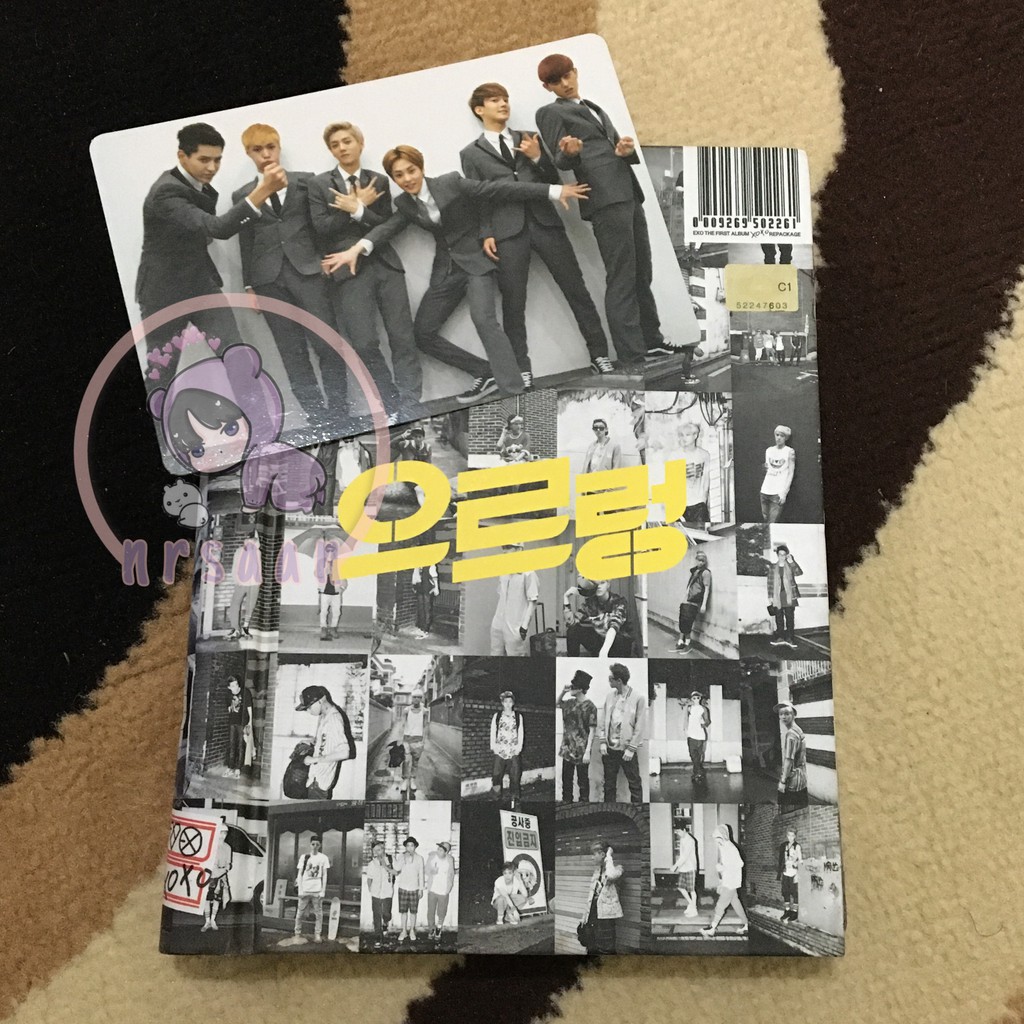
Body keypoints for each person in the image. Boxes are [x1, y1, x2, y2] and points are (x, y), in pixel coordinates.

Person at [323, 145, 590, 403]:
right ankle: (484, 372)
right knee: (422, 333)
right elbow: (387, 229)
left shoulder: (449, 182)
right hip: (447, 271)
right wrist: (355, 250)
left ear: (421, 168)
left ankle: (514, 391)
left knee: (484, 320)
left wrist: (553, 190)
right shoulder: (404, 203)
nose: (407, 179)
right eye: (399, 175)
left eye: (411, 171)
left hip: (477, 263)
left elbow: (497, 189)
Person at [535, 55, 681, 376]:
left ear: (576, 71)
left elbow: (614, 148)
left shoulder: (593, 107)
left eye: (568, 75)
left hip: (628, 193)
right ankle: (631, 355)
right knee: (622, 275)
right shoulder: (550, 112)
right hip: (603, 198)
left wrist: (627, 152)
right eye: (557, 81)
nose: (566, 83)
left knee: (642, 271)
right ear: (548, 87)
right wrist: (569, 153)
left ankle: (651, 340)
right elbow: (561, 158)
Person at [461, 82, 612, 382]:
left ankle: (599, 355)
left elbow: (554, 177)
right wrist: (486, 232)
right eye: (495, 100)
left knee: (577, 290)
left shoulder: (529, 137)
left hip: (546, 224)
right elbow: (480, 197)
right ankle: (522, 369)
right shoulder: (471, 153)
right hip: (507, 232)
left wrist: (537, 158)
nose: (503, 104)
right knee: (513, 304)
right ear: (479, 109)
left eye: (505, 98)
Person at [135, 123, 285, 375]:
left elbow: (203, 231)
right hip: (163, 294)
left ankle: (252, 403)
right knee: (161, 373)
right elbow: (217, 228)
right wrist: (264, 190)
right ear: (182, 156)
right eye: (204, 160)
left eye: (217, 160)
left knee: (237, 356)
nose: (212, 168)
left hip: (202, 285)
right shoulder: (166, 191)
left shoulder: (199, 186)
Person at [308, 121, 421, 426]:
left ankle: (410, 405)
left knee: (402, 338)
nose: (342, 148)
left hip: (385, 264)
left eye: (347, 141)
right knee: (364, 343)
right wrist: (355, 207)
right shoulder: (318, 184)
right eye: (335, 144)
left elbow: (386, 225)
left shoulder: (379, 180)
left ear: (360, 143)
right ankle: (391, 403)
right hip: (347, 271)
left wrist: (357, 209)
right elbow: (321, 228)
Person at [233, 123, 345, 423]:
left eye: (270, 147)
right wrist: (248, 286)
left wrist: (324, 259)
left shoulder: (306, 182)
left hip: (309, 273)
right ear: (248, 154)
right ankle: (317, 419)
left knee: (328, 344)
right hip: (268, 281)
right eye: (257, 150)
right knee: (292, 354)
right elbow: (246, 241)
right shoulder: (243, 195)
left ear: (279, 148)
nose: (266, 154)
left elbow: (320, 224)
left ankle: (339, 414)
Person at [294, 685, 356, 799]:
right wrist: (312, 742)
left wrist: (313, 760)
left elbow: (345, 753)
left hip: (321, 783)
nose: (308, 711)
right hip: (315, 779)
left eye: (309, 707)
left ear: (321, 701)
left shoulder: (334, 719)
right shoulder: (324, 716)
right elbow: (327, 742)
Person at [599, 663, 646, 804]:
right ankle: (608, 813)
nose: (608, 681)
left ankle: (638, 811)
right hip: (609, 749)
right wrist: (602, 741)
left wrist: (631, 748)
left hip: (627, 749)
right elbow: (603, 720)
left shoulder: (638, 698)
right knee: (609, 785)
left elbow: (640, 725)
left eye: (610, 678)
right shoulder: (609, 696)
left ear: (619, 681)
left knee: (635, 784)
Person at [564, 576, 635, 657]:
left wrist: (604, 651)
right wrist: (566, 597)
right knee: (573, 630)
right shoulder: (590, 603)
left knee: (619, 638)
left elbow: (614, 627)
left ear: (608, 584)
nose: (599, 586)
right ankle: (572, 660)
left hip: (619, 646)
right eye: (595, 583)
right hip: (601, 640)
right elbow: (571, 624)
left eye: (602, 583)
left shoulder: (619, 601)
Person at [491, 542, 539, 655]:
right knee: (495, 656)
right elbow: (502, 595)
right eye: (503, 547)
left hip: (515, 626)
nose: (504, 551)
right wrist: (496, 623)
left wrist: (524, 627)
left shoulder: (528, 573)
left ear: (519, 549)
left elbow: (533, 602)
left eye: (508, 547)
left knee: (516, 660)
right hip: (498, 623)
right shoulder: (503, 571)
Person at [700, 825, 749, 937]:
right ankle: (746, 924)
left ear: (722, 836)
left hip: (731, 881)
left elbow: (740, 863)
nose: (716, 842)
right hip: (729, 880)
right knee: (735, 902)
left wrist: (724, 868)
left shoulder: (730, 847)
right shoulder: (723, 847)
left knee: (720, 905)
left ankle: (712, 928)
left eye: (717, 839)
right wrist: (721, 877)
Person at [558, 669, 597, 801]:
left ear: (580, 689)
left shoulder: (590, 707)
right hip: (567, 748)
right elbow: (557, 704)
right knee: (566, 781)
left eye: (573, 686)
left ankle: (583, 805)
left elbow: (592, 730)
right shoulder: (569, 703)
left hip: (581, 749)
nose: (571, 688)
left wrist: (588, 752)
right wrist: (563, 692)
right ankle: (566, 804)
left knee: (583, 781)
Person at [580, 841, 624, 953]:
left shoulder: (617, 869)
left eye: (594, 854)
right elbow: (591, 896)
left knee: (606, 950)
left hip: (605, 919)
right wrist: (584, 917)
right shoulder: (597, 872)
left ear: (602, 854)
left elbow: (610, 876)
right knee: (591, 947)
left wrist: (609, 856)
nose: (592, 857)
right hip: (593, 916)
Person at [760, 543, 803, 649]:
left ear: (786, 555)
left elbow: (799, 573)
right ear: (777, 555)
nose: (782, 556)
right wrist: (770, 596)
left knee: (789, 618)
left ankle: (790, 639)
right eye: (780, 554)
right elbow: (770, 582)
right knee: (778, 618)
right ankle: (780, 638)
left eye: (784, 554)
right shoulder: (773, 567)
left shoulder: (790, 566)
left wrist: (792, 562)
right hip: (777, 597)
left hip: (789, 597)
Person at [490, 689, 525, 807]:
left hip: (513, 751)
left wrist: (518, 749)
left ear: (513, 703)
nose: (508, 704)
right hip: (500, 751)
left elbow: (521, 733)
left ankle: (514, 800)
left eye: (510, 701)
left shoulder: (518, 716)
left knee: (515, 777)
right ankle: (496, 798)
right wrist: (494, 747)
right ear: (502, 703)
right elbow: (493, 732)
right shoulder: (497, 716)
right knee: (496, 776)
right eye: (505, 702)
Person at [294, 834, 330, 943]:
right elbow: (300, 874)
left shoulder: (323, 858)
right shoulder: (304, 857)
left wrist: (323, 891)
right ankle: (297, 933)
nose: (315, 846)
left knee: (318, 914)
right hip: (305, 889)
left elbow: (325, 875)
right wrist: (300, 890)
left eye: (317, 844)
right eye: (313, 844)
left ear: (320, 845)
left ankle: (317, 934)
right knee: (299, 914)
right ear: (310, 844)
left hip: (317, 890)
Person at [226, 531, 261, 640]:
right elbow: (235, 567)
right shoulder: (239, 551)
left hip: (254, 583)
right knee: (235, 604)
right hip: (241, 582)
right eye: (248, 540)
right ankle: (235, 629)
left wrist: (259, 580)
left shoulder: (257, 552)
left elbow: (259, 567)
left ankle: (245, 627)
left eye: (253, 540)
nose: (250, 542)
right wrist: (236, 579)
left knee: (251, 605)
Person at [675, 422, 711, 524]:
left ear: (695, 435)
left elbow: (706, 479)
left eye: (687, 435)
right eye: (682, 435)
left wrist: (703, 499)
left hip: (698, 504)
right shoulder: (675, 455)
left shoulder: (704, 455)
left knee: (700, 529)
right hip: (679, 504)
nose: (684, 438)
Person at [775, 701, 809, 810]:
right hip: (802, 779)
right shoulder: (798, 729)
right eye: (781, 714)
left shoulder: (791, 734)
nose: (783, 717)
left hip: (793, 781)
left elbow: (789, 760)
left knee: (786, 805)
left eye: (787, 713)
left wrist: (783, 781)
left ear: (793, 714)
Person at [677, 551, 712, 654]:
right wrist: (683, 598)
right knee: (682, 621)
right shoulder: (694, 571)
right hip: (686, 600)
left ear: (705, 562)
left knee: (687, 622)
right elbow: (689, 587)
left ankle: (688, 644)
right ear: (696, 560)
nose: (700, 562)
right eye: (699, 560)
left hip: (694, 601)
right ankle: (681, 643)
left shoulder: (706, 573)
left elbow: (707, 589)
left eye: (703, 561)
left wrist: (704, 604)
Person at [760, 425, 796, 524]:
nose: (779, 438)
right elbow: (767, 469)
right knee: (765, 522)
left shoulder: (789, 451)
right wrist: (764, 468)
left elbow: (791, 473)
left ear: (786, 438)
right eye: (777, 435)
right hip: (764, 491)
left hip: (777, 493)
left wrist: (784, 493)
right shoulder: (769, 450)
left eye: (782, 436)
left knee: (772, 523)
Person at [201, 820, 233, 932]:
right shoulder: (211, 845)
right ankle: (207, 921)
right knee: (207, 899)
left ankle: (213, 920)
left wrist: (224, 870)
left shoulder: (228, 847)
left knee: (217, 899)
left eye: (225, 833)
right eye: (221, 833)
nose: (223, 835)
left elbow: (229, 864)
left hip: (221, 876)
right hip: (210, 875)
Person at [364, 840, 395, 948]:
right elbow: (369, 878)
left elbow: (396, 872)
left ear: (383, 849)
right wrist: (371, 889)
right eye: (375, 851)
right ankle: (378, 936)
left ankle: (385, 923)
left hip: (387, 892)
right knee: (376, 915)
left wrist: (385, 866)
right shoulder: (372, 864)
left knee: (386, 913)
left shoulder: (391, 860)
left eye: (379, 850)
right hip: (376, 893)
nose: (377, 853)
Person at [399, 690, 428, 798]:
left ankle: (412, 780)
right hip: (407, 739)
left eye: (419, 697)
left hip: (418, 740)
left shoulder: (425, 711)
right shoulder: (406, 710)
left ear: (421, 698)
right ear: (412, 698)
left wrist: (424, 741)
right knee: (406, 761)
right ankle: (405, 780)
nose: (416, 699)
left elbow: (425, 726)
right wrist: (400, 740)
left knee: (415, 762)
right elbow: (402, 724)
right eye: (414, 697)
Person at [425, 840, 456, 940]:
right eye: (438, 849)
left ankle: (439, 928)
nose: (438, 851)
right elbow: (426, 870)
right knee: (430, 911)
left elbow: (451, 874)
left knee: (441, 912)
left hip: (443, 890)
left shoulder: (449, 860)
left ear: (446, 852)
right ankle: (431, 929)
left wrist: (448, 888)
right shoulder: (432, 857)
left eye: (441, 850)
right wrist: (431, 872)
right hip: (432, 889)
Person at [395, 836, 424, 942]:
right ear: (405, 847)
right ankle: (403, 931)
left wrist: (421, 889)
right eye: (408, 846)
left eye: (412, 846)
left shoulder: (419, 858)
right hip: (403, 888)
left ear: (415, 847)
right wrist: (403, 858)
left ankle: (412, 930)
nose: (410, 848)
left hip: (414, 888)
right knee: (403, 912)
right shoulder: (401, 856)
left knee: (413, 912)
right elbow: (396, 868)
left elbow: (421, 874)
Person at [317, 542, 348, 641]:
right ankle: (323, 629)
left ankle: (333, 629)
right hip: (325, 593)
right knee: (323, 611)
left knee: (337, 612)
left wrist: (342, 589)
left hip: (336, 594)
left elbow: (344, 581)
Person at [224, 677, 254, 779]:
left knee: (241, 745)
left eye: (236, 684)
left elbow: (249, 708)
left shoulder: (245, 692)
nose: (236, 687)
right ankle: (230, 767)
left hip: (242, 723)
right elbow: (229, 708)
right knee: (232, 744)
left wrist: (250, 722)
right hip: (232, 723)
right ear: (229, 687)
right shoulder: (228, 695)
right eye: (233, 686)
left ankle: (238, 768)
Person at [672, 819, 700, 918]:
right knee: (680, 887)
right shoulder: (682, 839)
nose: (677, 833)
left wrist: (675, 865)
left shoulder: (690, 840)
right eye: (676, 832)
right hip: (683, 868)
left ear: (684, 830)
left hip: (691, 867)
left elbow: (685, 856)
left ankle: (694, 910)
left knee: (691, 890)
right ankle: (691, 905)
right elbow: (681, 856)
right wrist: (679, 866)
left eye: (679, 831)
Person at [683, 691, 711, 783]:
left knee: (698, 754)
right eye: (694, 698)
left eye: (698, 698)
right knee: (692, 753)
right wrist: (685, 729)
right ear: (691, 699)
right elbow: (686, 719)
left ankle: (697, 773)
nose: (696, 700)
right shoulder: (689, 708)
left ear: (700, 698)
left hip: (699, 734)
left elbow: (707, 721)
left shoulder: (703, 709)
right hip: (691, 734)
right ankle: (698, 772)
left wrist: (703, 724)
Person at [777, 826, 803, 922]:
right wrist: (781, 870)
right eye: (789, 835)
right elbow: (781, 860)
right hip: (786, 873)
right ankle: (787, 911)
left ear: (795, 836)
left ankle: (794, 912)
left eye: (792, 835)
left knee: (795, 893)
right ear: (787, 836)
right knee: (785, 893)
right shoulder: (784, 846)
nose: (790, 837)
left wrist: (797, 873)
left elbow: (800, 861)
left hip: (794, 873)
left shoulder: (797, 846)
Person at [411, 563, 439, 640]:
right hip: (420, 588)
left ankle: (426, 630)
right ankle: (420, 628)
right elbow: (415, 576)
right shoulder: (417, 565)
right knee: (420, 608)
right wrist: (413, 585)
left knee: (427, 608)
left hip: (428, 588)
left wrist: (436, 588)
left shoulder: (431, 565)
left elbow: (434, 577)